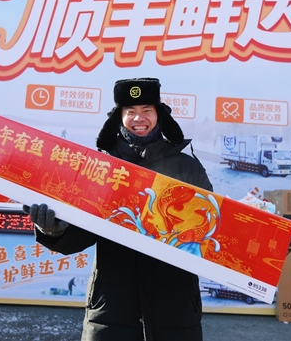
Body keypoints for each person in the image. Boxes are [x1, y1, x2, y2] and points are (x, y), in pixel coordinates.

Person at [25, 77, 213, 341]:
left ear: (159, 114)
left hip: (175, 307)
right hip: (112, 309)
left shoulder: (187, 167)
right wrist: (55, 229)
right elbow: (81, 235)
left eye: (147, 110)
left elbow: (210, 229)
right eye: (130, 111)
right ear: (119, 117)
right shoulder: (101, 167)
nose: (139, 118)